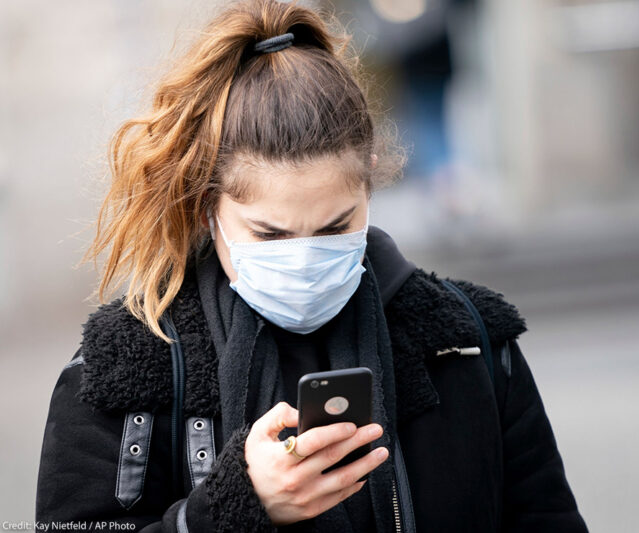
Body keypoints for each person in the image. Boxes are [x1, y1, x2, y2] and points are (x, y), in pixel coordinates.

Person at [35, 1, 588, 532]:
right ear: (209, 206)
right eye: (269, 234)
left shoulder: (465, 340)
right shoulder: (128, 361)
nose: (302, 259)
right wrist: (234, 508)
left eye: (333, 228)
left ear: (371, 181)